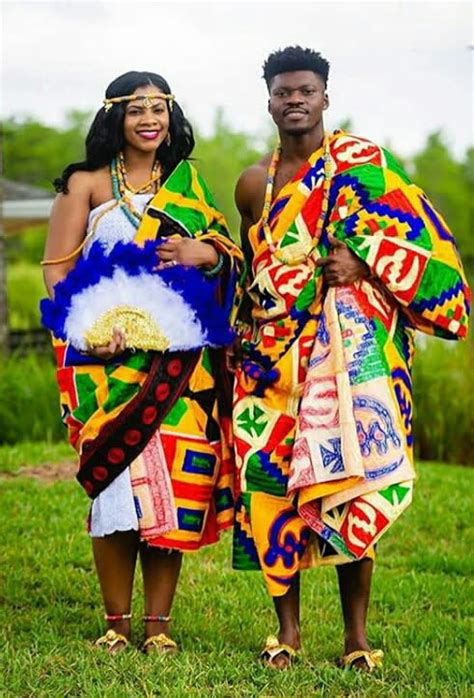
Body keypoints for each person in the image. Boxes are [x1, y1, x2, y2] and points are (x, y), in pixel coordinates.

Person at [232, 46, 470, 671]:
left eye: (305, 90)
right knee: (271, 488)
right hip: (271, 358)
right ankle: (286, 633)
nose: (294, 100)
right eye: (283, 91)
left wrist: (363, 264)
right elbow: (249, 265)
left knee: (349, 482)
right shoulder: (255, 181)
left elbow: (426, 247)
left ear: (325, 97)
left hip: (348, 353)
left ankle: (357, 639)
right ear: (269, 100)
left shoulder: (364, 165)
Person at [41, 70, 242, 654]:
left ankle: (159, 629)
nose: (149, 119)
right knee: (114, 485)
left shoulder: (190, 185)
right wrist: (88, 327)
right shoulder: (84, 185)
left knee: (173, 490)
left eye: (159, 108)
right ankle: (116, 622)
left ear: (171, 116)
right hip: (104, 364)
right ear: (115, 118)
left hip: (181, 368)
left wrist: (201, 250)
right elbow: (56, 271)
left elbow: (226, 257)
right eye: (136, 109)